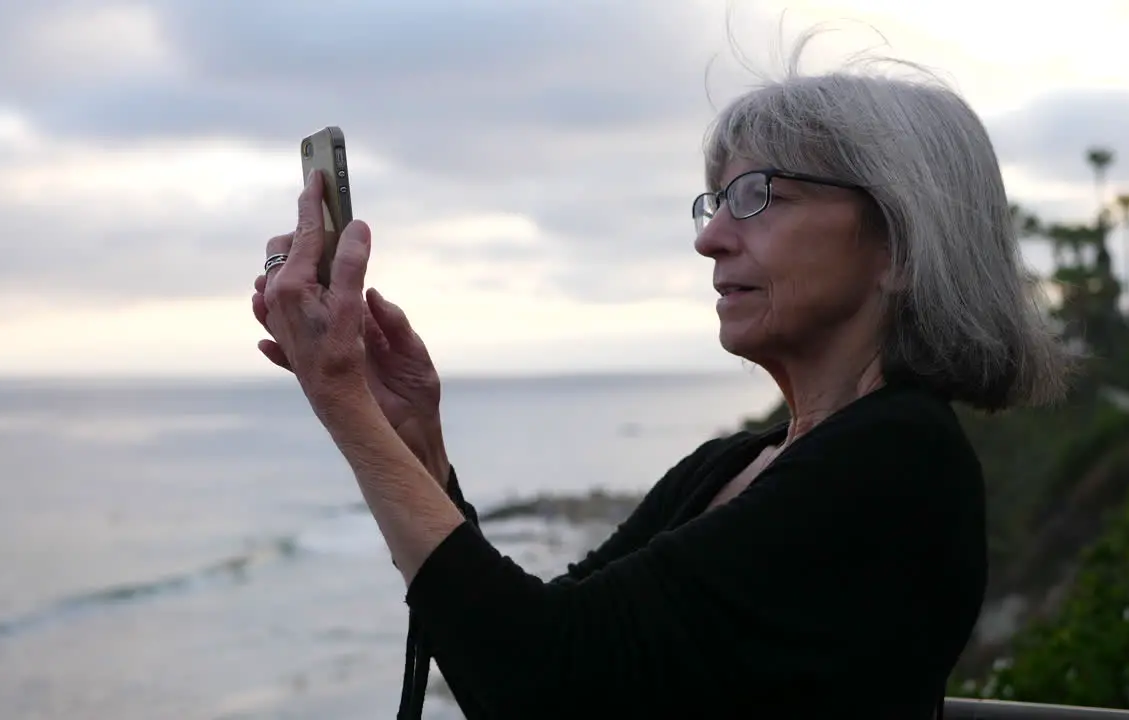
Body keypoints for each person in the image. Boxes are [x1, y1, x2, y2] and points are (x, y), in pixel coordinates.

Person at [250, 39, 1070, 720]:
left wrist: (343, 403)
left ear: (897, 243)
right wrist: (414, 442)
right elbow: (511, 647)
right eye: (714, 200)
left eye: (757, 197)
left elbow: (540, 689)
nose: (710, 238)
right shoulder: (728, 469)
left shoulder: (898, 460)